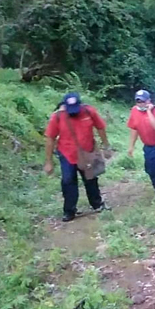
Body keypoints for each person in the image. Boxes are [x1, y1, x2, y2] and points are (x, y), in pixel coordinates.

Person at [44, 93, 111, 222]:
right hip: (66, 154)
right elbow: (50, 138)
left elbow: (100, 127)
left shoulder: (89, 111)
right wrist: (49, 161)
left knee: (90, 178)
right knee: (68, 181)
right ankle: (69, 210)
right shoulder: (57, 116)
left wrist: (106, 146)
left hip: (87, 152)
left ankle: (97, 204)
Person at [127, 89, 155, 200]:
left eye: (143, 101)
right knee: (151, 170)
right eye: (138, 101)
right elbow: (134, 128)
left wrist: (149, 111)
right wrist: (131, 146)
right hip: (149, 146)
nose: (140, 104)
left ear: (148, 101)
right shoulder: (134, 111)